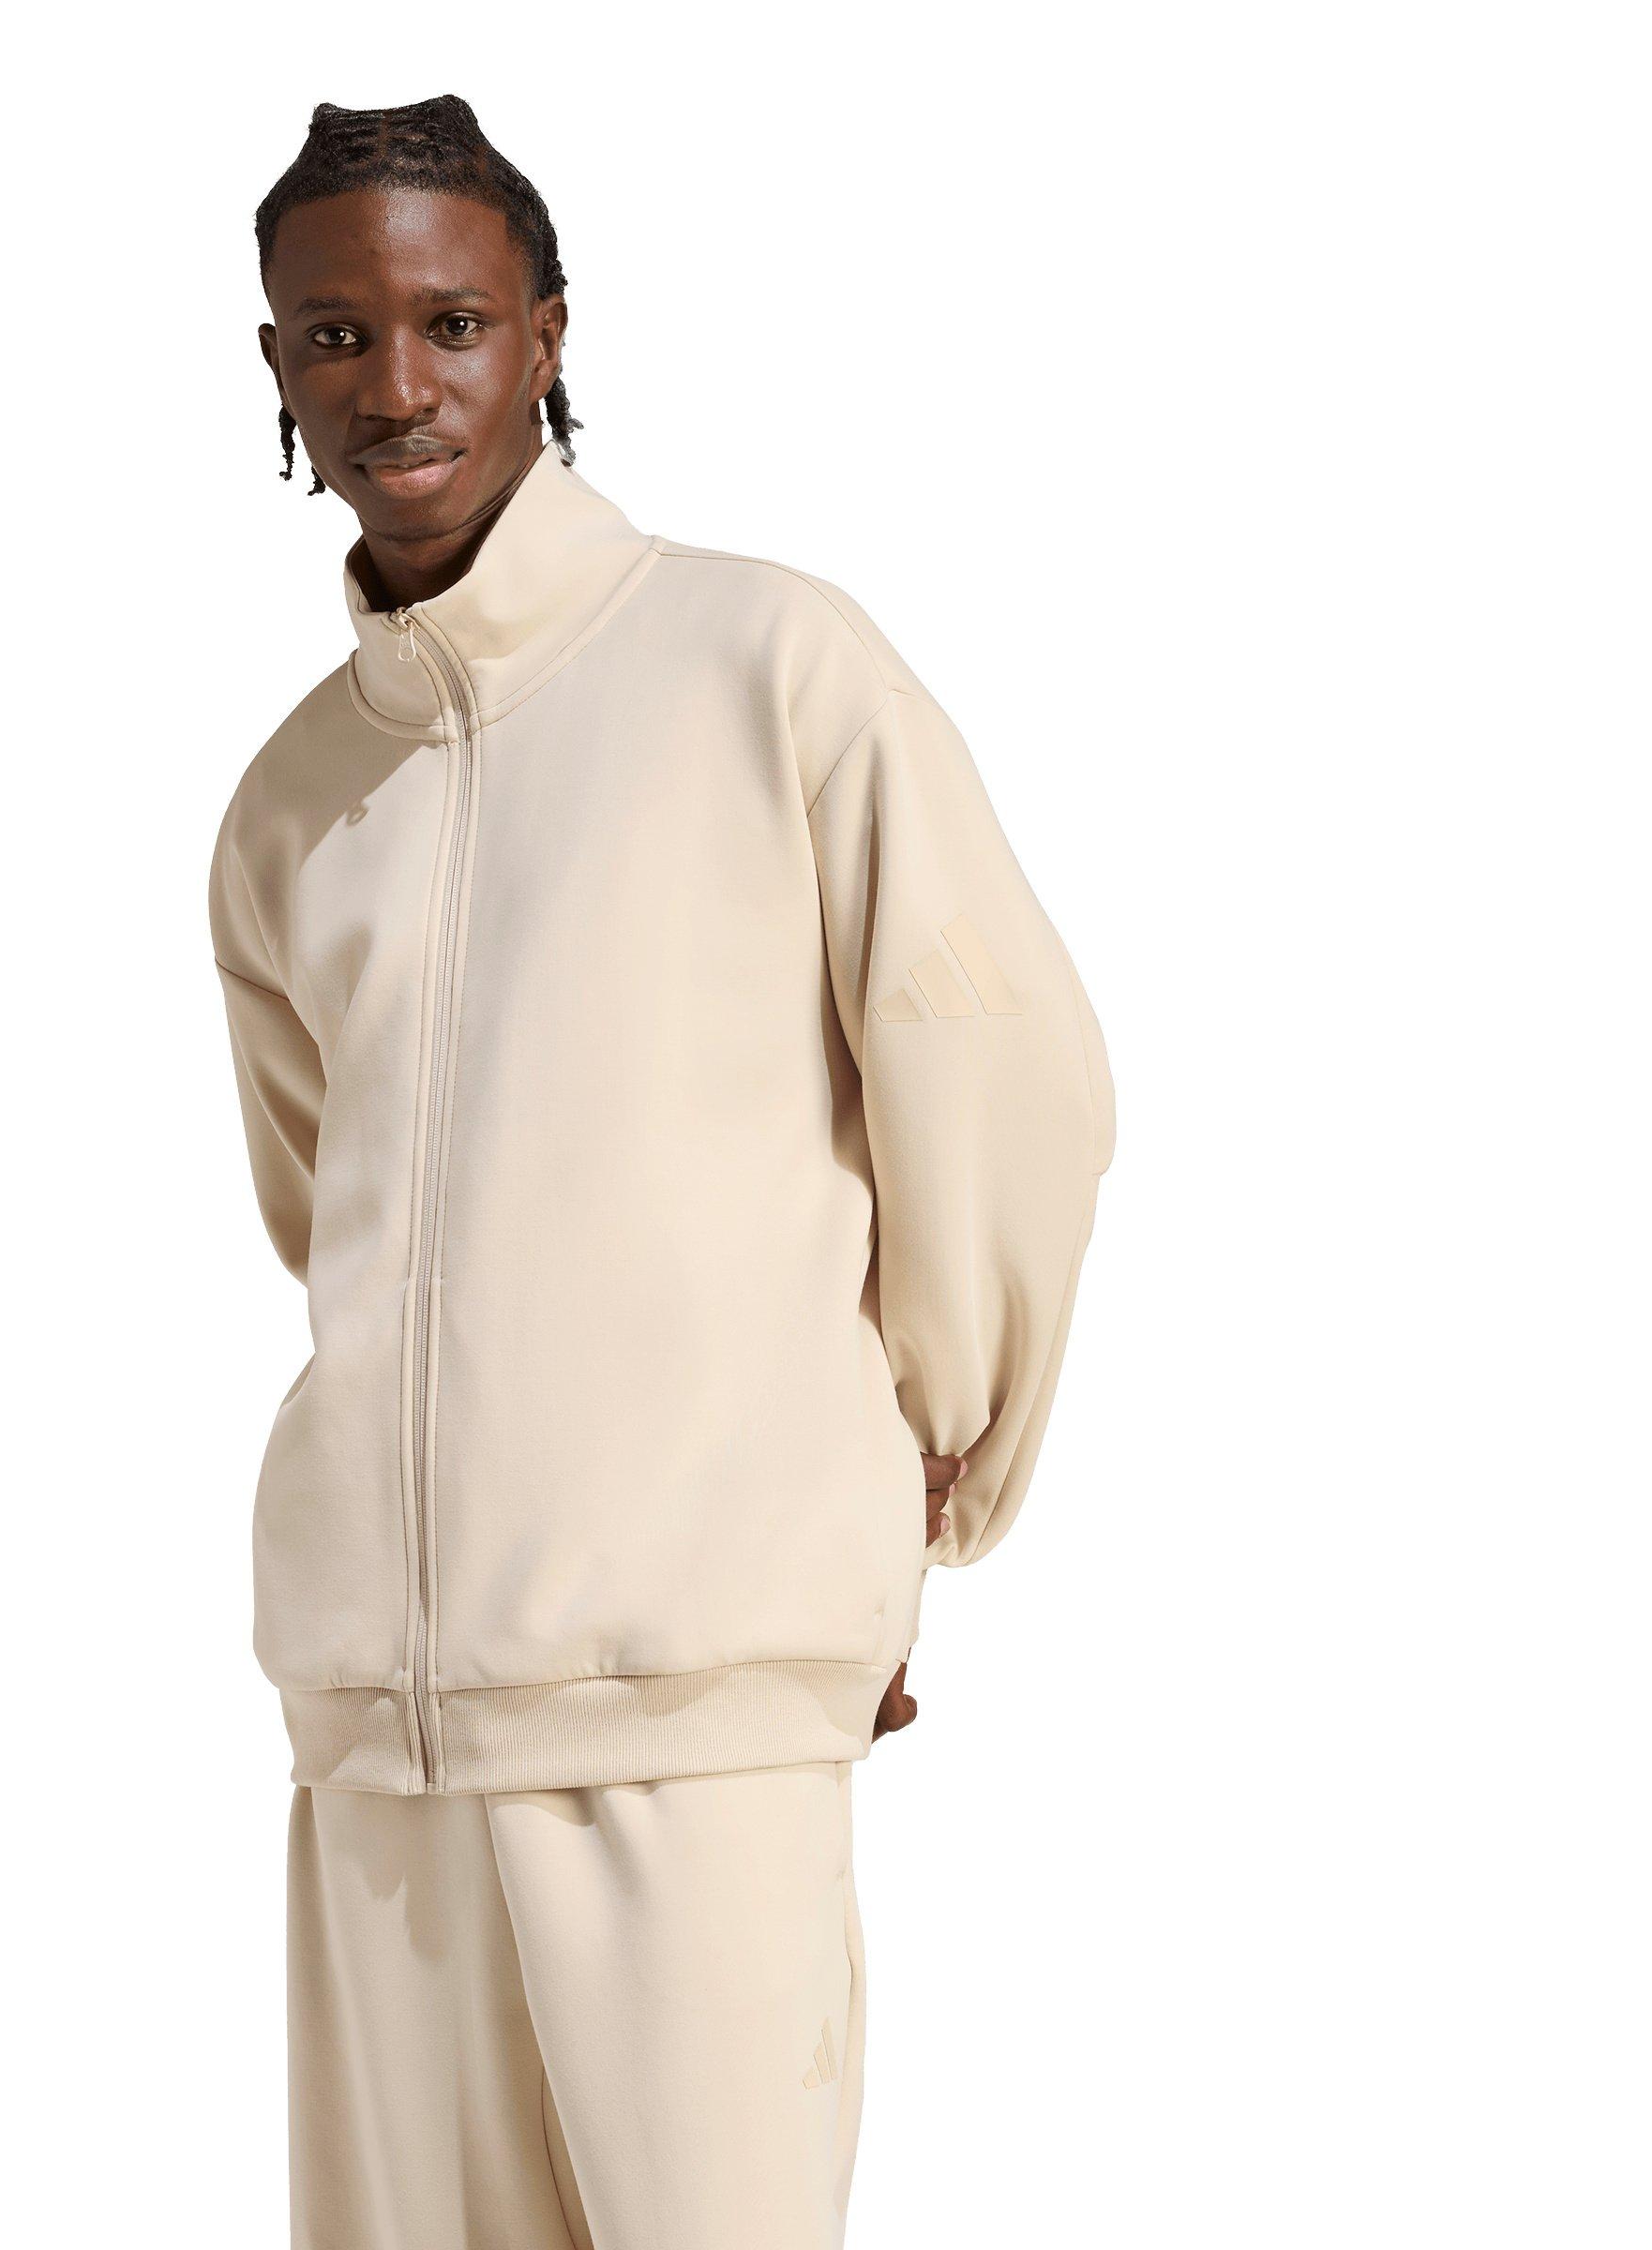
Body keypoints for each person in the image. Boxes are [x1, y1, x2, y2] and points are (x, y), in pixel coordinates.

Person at [207, 93, 1117, 2250]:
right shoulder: (290, 805)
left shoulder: (767, 665)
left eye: (452, 323)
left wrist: (910, 1493)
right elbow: (334, 1222)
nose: (395, 384)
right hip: (378, 1737)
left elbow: (1004, 1077)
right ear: (275, 368)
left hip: (694, 1695)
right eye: (336, 336)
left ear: (546, 337)